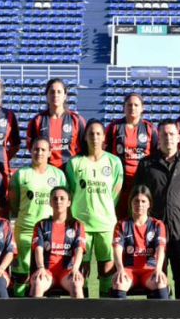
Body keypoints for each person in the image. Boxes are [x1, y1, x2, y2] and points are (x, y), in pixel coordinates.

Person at [133, 118, 180, 300]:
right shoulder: (146, 164)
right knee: (155, 282)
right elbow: (136, 198)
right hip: (152, 234)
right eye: (164, 134)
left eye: (172, 134)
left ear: (178, 137)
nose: (168, 138)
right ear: (158, 138)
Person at [65, 119, 123, 297]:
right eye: (91, 134)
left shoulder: (114, 162)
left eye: (98, 133)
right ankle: (84, 309)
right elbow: (71, 192)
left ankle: (104, 308)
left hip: (106, 224)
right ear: (85, 137)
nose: (95, 137)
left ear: (104, 137)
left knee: (107, 271)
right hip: (82, 225)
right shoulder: (75, 163)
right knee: (81, 272)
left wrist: (104, 208)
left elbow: (115, 192)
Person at [9, 137, 68, 296]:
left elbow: (63, 200)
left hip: (50, 231)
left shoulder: (58, 175)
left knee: (48, 272)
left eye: (43, 149)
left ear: (49, 152)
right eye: (36, 149)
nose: (39, 152)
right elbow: (14, 203)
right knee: (22, 274)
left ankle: (47, 308)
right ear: (30, 151)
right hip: (25, 229)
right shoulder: (21, 174)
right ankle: (18, 307)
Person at [110, 185, 169, 299]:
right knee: (119, 283)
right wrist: (120, 269)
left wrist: (158, 269)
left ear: (149, 204)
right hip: (129, 270)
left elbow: (160, 249)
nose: (140, 204)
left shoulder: (157, 225)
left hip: (150, 270)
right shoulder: (122, 224)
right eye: (136, 201)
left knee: (160, 282)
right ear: (130, 203)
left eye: (143, 201)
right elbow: (117, 250)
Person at [105, 92, 158, 219]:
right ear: (124, 107)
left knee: (139, 217)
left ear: (142, 108)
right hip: (119, 182)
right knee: (119, 217)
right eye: (129, 105)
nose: (132, 108)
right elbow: (106, 155)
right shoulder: (113, 128)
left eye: (136, 105)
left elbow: (155, 156)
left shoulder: (150, 129)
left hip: (142, 182)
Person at [30, 187, 87, 298]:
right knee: (37, 284)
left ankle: (80, 310)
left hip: (67, 272)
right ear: (50, 202)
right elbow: (38, 249)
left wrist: (76, 268)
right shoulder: (41, 225)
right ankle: (35, 310)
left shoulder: (77, 225)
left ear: (69, 203)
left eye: (62, 198)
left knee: (76, 284)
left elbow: (79, 250)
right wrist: (41, 267)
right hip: (47, 271)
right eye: (55, 199)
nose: (58, 201)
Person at [27, 78, 86, 169]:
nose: (55, 95)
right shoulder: (37, 120)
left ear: (65, 96)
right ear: (47, 96)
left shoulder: (76, 120)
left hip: (69, 171)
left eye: (59, 92)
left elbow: (84, 148)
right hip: (45, 172)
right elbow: (32, 148)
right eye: (52, 92)